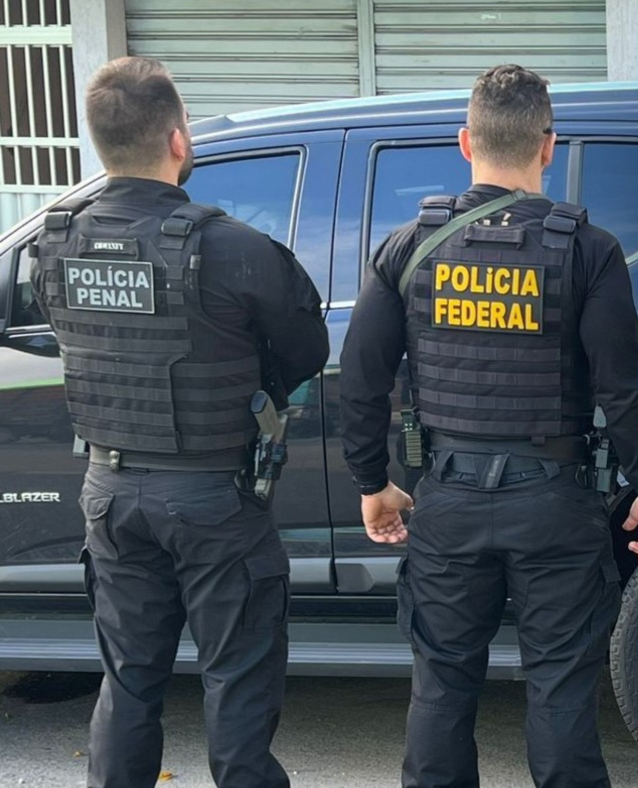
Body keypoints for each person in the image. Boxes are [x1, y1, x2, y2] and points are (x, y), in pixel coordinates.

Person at [338, 63, 638, 788]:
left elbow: (361, 379)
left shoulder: (409, 247)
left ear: (466, 142)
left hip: (448, 499)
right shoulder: (586, 249)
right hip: (554, 503)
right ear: (548, 146)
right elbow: (624, 384)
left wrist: (372, 482)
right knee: (559, 687)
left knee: (442, 683)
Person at [30, 56, 329, 788]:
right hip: (213, 497)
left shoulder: (54, 241)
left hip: (110, 491)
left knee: (129, 679)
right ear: (176, 139)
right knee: (238, 678)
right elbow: (306, 351)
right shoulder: (234, 249)